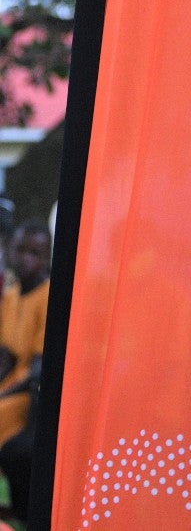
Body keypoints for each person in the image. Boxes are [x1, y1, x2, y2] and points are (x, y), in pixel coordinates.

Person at [0, 220, 52, 523]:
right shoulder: (13, 293)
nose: (25, 258)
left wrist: (5, 391)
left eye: (34, 252)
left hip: (30, 393)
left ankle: (22, 509)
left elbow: (37, 371)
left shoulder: (48, 296)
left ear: (45, 257)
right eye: (20, 249)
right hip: (11, 381)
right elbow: (6, 353)